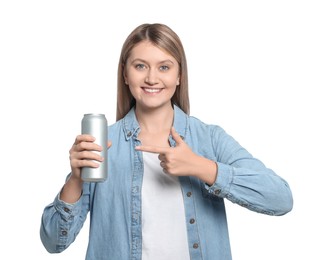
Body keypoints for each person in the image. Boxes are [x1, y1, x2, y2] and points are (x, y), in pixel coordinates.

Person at [40, 23, 293, 260]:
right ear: (125, 74)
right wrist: (75, 178)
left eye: (164, 67)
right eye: (140, 66)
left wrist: (199, 166)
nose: (152, 78)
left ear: (179, 75)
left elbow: (281, 199)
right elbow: (54, 242)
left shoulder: (209, 138)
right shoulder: (103, 144)